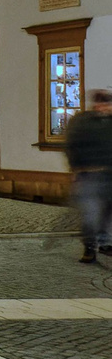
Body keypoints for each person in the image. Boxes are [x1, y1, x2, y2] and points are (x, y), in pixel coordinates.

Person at [65, 89, 112, 263]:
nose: (105, 108)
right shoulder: (83, 122)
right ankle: (90, 245)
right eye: (103, 104)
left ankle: (105, 242)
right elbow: (72, 145)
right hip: (89, 174)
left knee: (108, 212)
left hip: (109, 175)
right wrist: (75, 169)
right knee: (90, 213)